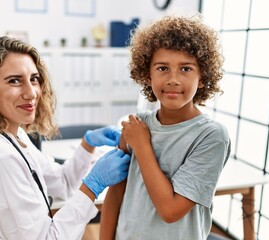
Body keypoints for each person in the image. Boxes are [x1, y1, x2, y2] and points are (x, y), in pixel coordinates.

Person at [0, 36, 130, 239]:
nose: (31, 93)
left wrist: (87, 145)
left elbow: (62, 183)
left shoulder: (12, 133)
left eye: (34, 79)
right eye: (15, 81)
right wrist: (93, 186)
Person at [100, 15, 231, 239]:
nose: (173, 79)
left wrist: (142, 146)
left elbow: (170, 211)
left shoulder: (211, 136)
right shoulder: (136, 126)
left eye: (186, 69)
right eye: (162, 68)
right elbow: (115, 192)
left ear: (202, 77)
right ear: (147, 74)